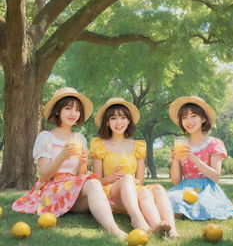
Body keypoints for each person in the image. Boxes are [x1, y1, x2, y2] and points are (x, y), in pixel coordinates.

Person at [12, 87, 126, 238]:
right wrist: (62, 157)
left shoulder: (79, 139)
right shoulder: (46, 137)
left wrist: (84, 163)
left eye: (77, 109)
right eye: (68, 108)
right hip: (52, 189)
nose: (73, 113)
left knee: (96, 185)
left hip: (72, 189)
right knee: (94, 185)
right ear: (58, 111)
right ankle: (114, 230)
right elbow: (44, 175)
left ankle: (122, 224)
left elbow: (81, 176)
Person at [91, 98, 179, 238]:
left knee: (156, 189)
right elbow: (95, 182)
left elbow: (140, 182)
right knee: (127, 179)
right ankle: (137, 219)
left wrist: (133, 183)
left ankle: (167, 228)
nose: (119, 122)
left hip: (132, 191)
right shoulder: (99, 145)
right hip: (111, 193)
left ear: (128, 121)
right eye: (113, 118)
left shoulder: (138, 146)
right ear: (107, 122)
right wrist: (110, 178)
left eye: (123, 117)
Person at [167, 96, 233, 220]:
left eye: (193, 116)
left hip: (207, 189)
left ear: (203, 118)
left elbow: (215, 177)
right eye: (184, 117)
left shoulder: (214, 143)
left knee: (203, 203)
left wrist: (193, 157)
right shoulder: (181, 145)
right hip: (185, 187)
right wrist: (175, 159)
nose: (189, 121)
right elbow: (176, 181)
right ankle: (180, 213)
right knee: (170, 198)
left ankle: (182, 213)